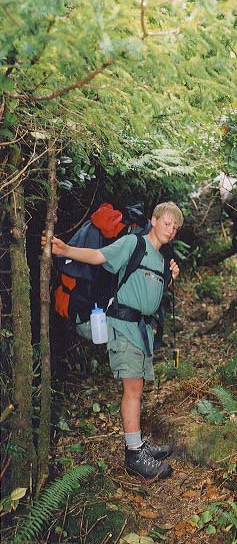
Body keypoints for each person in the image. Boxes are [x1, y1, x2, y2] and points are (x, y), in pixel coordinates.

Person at [43, 202, 183, 480]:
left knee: (137, 388)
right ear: (154, 221)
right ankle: (134, 456)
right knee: (132, 389)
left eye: (175, 227)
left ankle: (139, 444)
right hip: (124, 326)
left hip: (141, 330)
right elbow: (98, 255)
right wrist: (66, 250)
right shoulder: (134, 243)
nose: (171, 230)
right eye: (167, 223)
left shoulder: (159, 258)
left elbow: (148, 294)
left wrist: (169, 279)